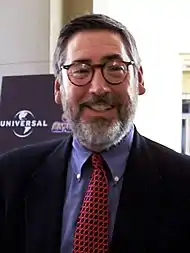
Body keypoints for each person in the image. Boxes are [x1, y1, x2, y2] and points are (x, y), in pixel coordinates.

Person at [1, 13, 190, 253]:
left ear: (139, 80)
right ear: (59, 88)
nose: (99, 87)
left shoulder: (184, 182)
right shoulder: (10, 177)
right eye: (81, 70)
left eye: (115, 68)